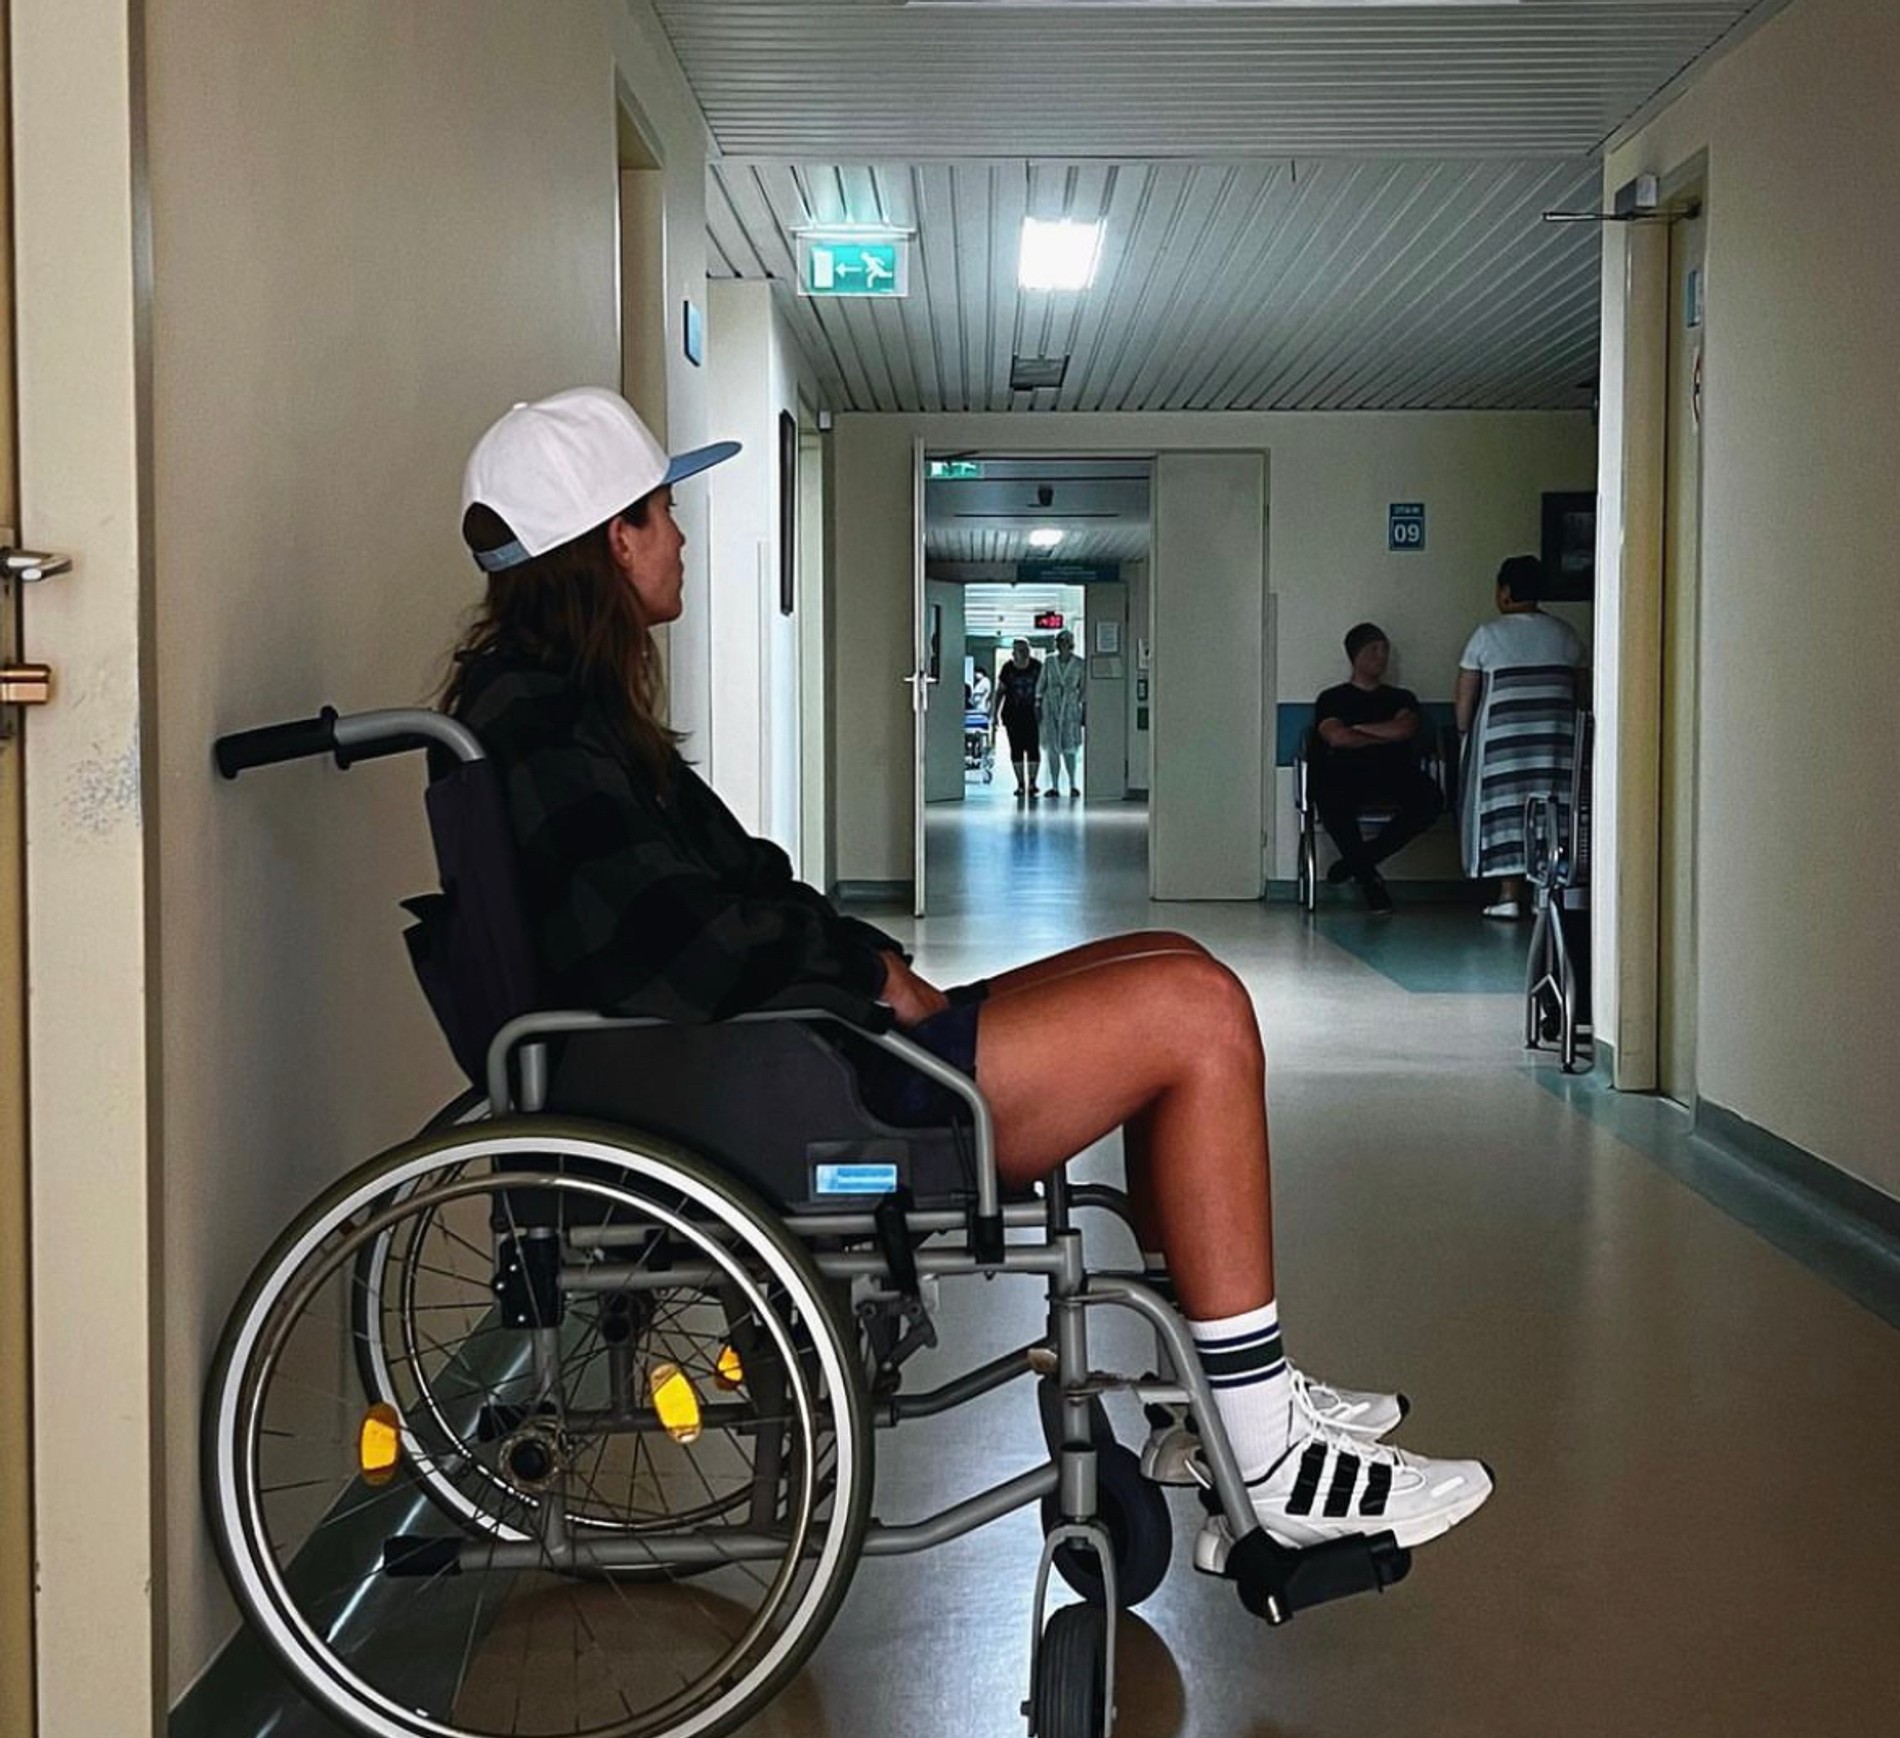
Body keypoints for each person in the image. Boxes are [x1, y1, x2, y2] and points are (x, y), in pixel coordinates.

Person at [445, 386, 1492, 1560]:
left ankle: (1208, 1397)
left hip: (783, 1049)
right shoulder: (550, 733)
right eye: (662, 512)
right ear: (610, 540)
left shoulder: (562, 714)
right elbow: (675, 942)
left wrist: (865, 960)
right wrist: (864, 968)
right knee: (1196, 1013)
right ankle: (1264, 1449)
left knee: (1170, 959)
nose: (681, 536)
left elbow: (723, 898)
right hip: (787, 1087)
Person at [1455, 556, 1586, 919]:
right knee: (1552, 809)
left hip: (1502, 746)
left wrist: (1465, 735)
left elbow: (1465, 698)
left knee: (1507, 812)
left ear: (1506, 591)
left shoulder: (1487, 635)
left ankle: (1509, 894)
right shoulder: (1566, 634)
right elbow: (1582, 695)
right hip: (1554, 744)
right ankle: (1544, 892)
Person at [1311, 623, 1442, 914]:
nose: (1381, 656)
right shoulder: (1332, 698)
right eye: (1373, 649)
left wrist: (1358, 730)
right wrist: (1384, 733)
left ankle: (1358, 862)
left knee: (1431, 799)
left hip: (1393, 772)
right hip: (1346, 775)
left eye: (1385, 650)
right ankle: (1368, 880)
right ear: (1355, 656)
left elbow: (1406, 729)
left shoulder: (1401, 698)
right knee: (1329, 796)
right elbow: (1336, 736)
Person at [1037, 628, 1087, 799]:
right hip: (1051, 707)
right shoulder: (1049, 661)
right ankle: (1054, 785)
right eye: (1060, 642)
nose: (1062, 645)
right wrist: (1038, 703)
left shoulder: (1079, 663)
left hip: (1070, 709)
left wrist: (1078, 704)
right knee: (1052, 748)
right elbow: (1041, 683)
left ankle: (1073, 784)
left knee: (1069, 748)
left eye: (1066, 642)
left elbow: (1084, 688)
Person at [993, 638, 1042, 799]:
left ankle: (1032, 783)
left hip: (1033, 715)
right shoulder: (1007, 668)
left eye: (1025, 649)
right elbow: (1000, 692)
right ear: (1013, 652)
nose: (1022, 653)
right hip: (1012, 715)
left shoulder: (1037, 667)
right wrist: (994, 714)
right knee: (1016, 749)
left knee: (1033, 748)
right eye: (1019, 650)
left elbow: (1045, 689)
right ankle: (1020, 783)